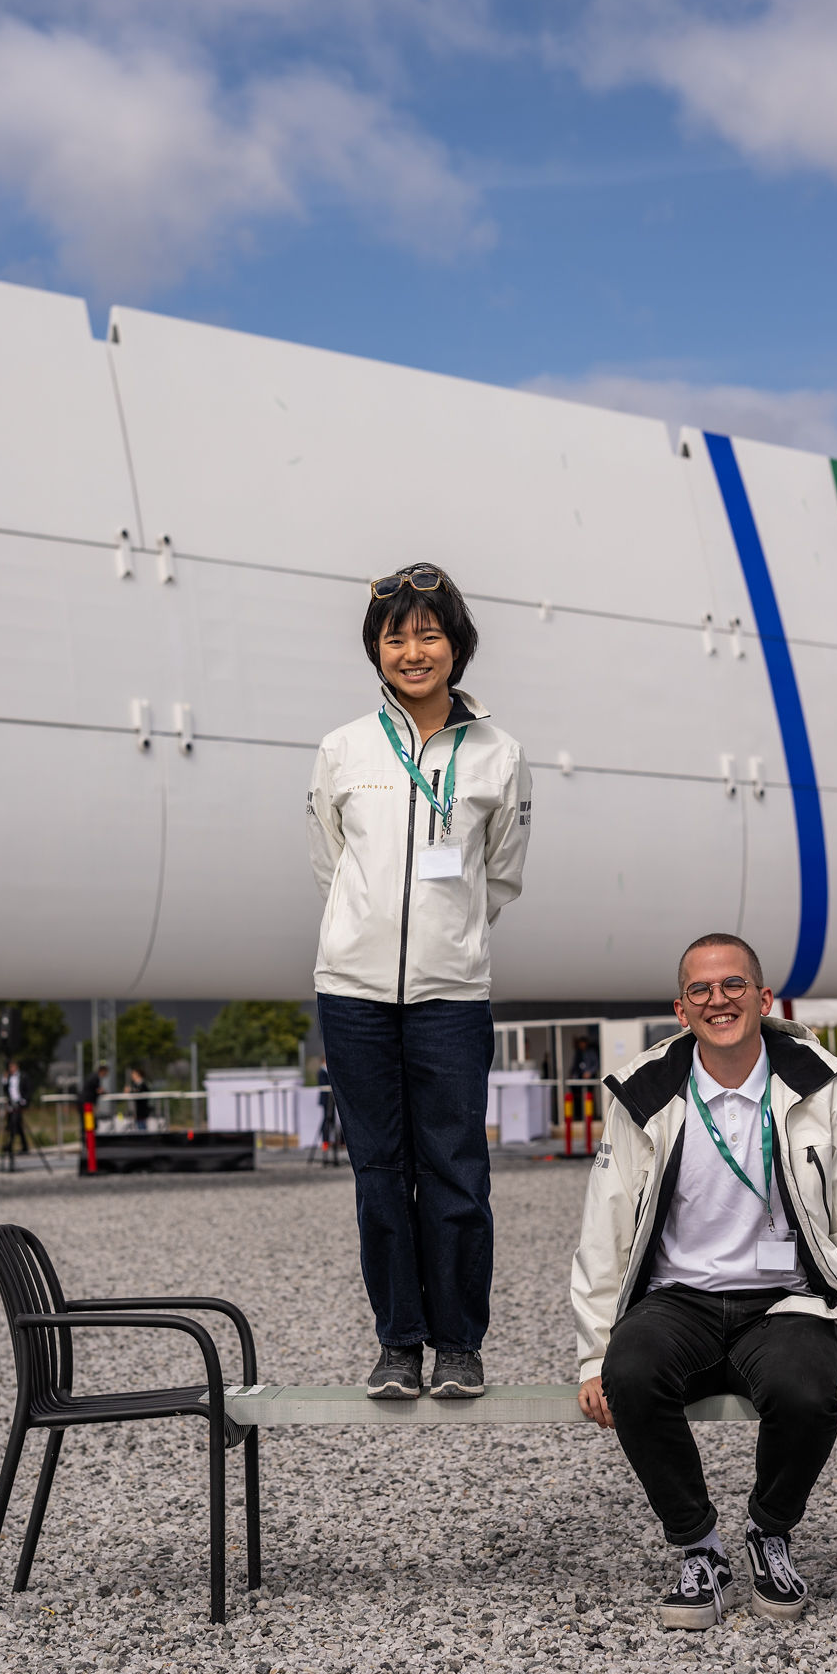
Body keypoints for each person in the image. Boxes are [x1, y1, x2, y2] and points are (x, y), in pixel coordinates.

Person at [574, 932, 837, 1629]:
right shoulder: (645, 1091)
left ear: (762, 997)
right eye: (700, 990)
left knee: (805, 1389)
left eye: (732, 985)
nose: (717, 999)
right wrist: (593, 1354)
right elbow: (602, 1227)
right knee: (630, 1376)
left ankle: (769, 1532)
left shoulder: (818, 1085)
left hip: (784, 1299)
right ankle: (698, 1547)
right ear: (680, 1008)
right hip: (678, 1298)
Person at [308, 561, 531, 1401]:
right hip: (354, 994)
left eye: (428, 633)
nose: (412, 650)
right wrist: (363, 932)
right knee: (377, 1173)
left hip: (449, 996)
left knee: (455, 1171)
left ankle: (459, 1346)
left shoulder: (499, 755)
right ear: (375, 649)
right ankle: (398, 1343)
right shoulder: (342, 750)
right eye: (395, 635)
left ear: (456, 644)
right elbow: (328, 865)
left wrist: (451, 937)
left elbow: (499, 876)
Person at [1, 1060, 30, 1164]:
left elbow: (27, 1089)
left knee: (14, 1123)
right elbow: (5, 1089)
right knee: (16, 1125)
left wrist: (24, 1101)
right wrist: (4, 1079)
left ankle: (10, 1144)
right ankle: (24, 1146)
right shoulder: (8, 1078)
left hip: (19, 1104)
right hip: (11, 1104)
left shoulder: (23, 1076)